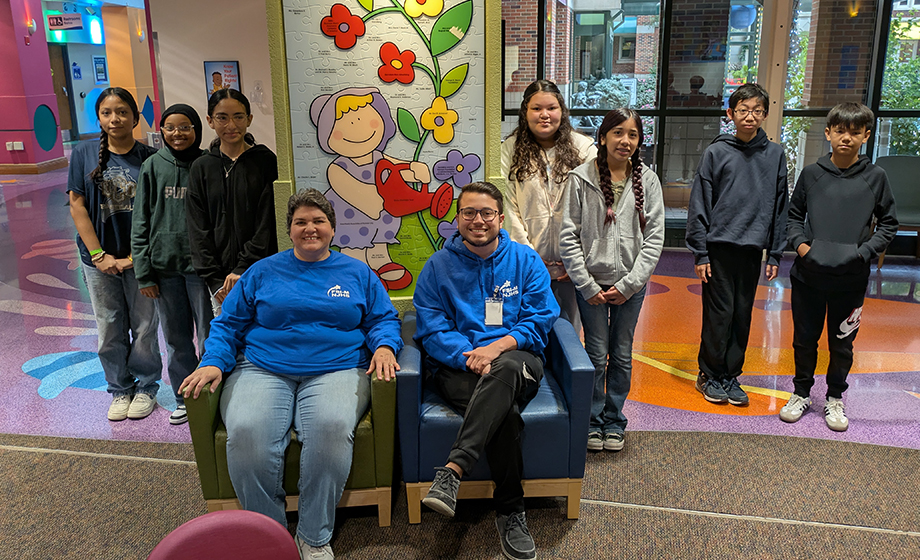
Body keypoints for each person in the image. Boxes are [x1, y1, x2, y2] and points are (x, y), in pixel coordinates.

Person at [179, 189, 402, 560]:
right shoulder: (261, 272)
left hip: (337, 367)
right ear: (290, 230)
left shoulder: (357, 272)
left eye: (318, 221)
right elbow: (227, 324)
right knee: (246, 432)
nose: (310, 228)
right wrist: (214, 360)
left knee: (331, 427)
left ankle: (314, 536)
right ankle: (269, 536)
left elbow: (383, 318)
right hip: (262, 367)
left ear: (333, 228)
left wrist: (384, 347)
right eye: (301, 222)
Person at [413, 182, 560, 560]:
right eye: (469, 213)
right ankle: (511, 512)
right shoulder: (436, 267)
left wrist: (496, 347)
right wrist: (469, 356)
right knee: (503, 414)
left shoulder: (525, 260)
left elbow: (541, 317)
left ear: (500, 218)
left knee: (506, 367)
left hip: (517, 359)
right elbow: (431, 328)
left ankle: (453, 469)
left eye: (486, 213)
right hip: (458, 366)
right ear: (457, 218)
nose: (478, 220)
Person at [780, 103, 898, 431]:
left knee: (842, 342)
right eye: (840, 131)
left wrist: (863, 253)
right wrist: (802, 247)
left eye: (855, 132)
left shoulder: (876, 177)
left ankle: (835, 397)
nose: (847, 138)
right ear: (828, 133)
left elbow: (889, 224)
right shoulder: (811, 174)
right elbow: (793, 216)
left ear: (866, 136)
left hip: (851, 279)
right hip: (808, 276)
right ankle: (801, 393)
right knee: (804, 339)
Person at [560, 108, 664, 452]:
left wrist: (631, 284)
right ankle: (592, 420)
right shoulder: (580, 178)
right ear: (603, 137)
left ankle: (614, 420)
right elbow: (568, 236)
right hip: (591, 285)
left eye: (632, 134)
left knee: (621, 354)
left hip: (630, 285)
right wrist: (587, 284)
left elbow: (655, 238)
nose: (625, 141)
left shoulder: (648, 180)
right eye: (618, 132)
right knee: (595, 353)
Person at [685, 83, 789, 407]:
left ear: (765, 114)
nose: (750, 116)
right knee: (719, 315)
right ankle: (709, 374)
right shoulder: (716, 153)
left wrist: (775, 252)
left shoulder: (775, 155)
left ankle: (730, 375)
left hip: (752, 249)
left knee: (742, 315)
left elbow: (780, 206)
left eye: (757, 110)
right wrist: (700, 252)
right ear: (731, 114)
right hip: (718, 248)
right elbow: (700, 203)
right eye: (743, 110)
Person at [67, 87, 161, 421]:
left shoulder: (150, 157)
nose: (114, 119)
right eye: (107, 113)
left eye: (122, 112)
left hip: (140, 259)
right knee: (109, 326)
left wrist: (135, 258)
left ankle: (147, 386)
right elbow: (77, 205)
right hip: (98, 260)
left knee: (145, 326)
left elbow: (158, 213)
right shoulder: (83, 153)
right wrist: (98, 255)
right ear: (99, 118)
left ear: (135, 117)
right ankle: (120, 388)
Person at [131, 104, 213, 425]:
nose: (178, 133)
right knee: (176, 340)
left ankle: (210, 395)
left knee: (209, 336)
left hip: (201, 269)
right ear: (161, 131)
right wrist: (144, 273)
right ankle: (184, 397)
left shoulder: (207, 164)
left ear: (197, 129)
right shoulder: (152, 166)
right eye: (170, 127)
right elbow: (140, 221)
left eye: (185, 127)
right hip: (164, 270)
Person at [502, 79, 596, 335]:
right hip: (527, 265)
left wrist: (575, 259)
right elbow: (508, 207)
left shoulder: (584, 149)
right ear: (525, 112)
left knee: (568, 334)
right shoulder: (509, 150)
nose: (544, 115)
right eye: (536, 108)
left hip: (573, 266)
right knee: (528, 329)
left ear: (561, 111)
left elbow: (593, 207)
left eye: (551, 108)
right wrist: (530, 259)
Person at [186, 89, 278, 317]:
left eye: (238, 116)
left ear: (249, 119)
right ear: (210, 121)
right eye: (222, 117)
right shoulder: (201, 167)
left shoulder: (265, 162)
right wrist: (215, 280)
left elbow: (267, 223)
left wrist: (243, 267)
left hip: (261, 272)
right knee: (228, 334)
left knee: (264, 333)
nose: (231, 125)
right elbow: (197, 227)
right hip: (220, 284)